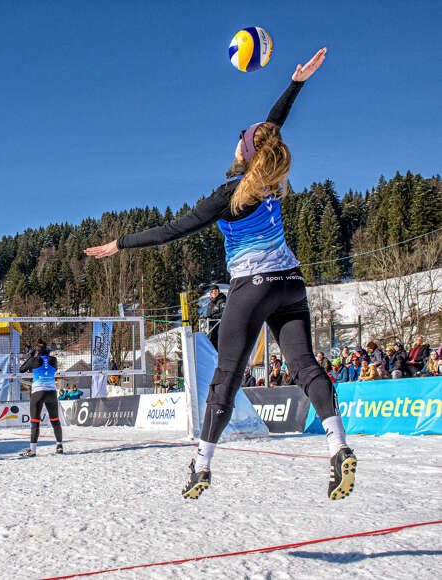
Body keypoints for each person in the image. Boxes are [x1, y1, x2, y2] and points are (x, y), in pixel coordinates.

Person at [85, 48, 356, 502]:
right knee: (305, 365)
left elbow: (172, 231)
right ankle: (339, 446)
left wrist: (120, 243)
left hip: (250, 290)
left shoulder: (227, 197)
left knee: (226, 376)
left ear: (245, 152)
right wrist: (295, 83)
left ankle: (202, 463)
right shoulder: (271, 182)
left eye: (240, 138)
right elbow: (271, 133)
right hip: (291, 284)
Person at [18, 341, 63, 457]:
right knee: (55, 420)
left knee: (35, 422)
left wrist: (30, 356)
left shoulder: (34, 360)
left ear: (37, 350)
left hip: (38, 392)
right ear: (48, 350)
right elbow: (47, 362)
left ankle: (32, 450)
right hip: (52, 393)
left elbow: (21, 370)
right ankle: (59, 445)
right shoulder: (53, 360)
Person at [204, 285, 227, 350]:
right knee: (211, 340)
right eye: (212, 291)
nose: (214, 293)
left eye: (216, 291)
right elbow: (209, 314)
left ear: (218, 291)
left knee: (217, 341)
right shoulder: (210, 303)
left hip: (219, 326)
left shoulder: (222, 300)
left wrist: (213, 317)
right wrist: (206, 317)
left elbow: (224, 313)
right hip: (211, 326)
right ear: (210, 293)